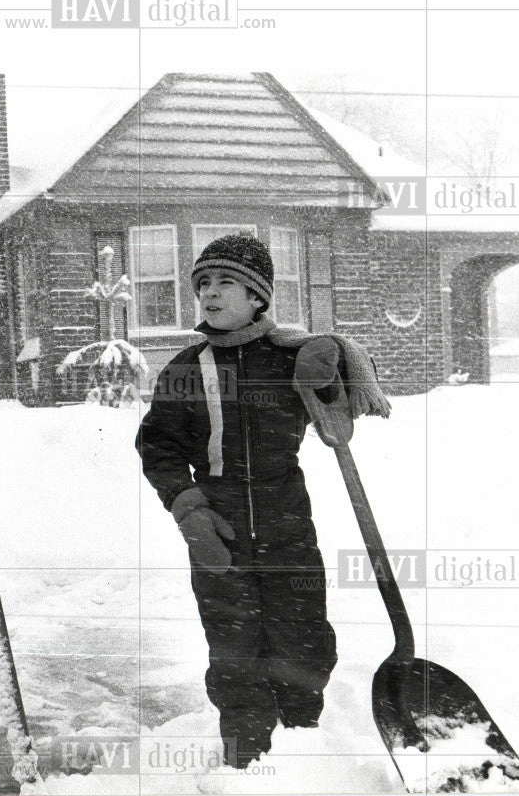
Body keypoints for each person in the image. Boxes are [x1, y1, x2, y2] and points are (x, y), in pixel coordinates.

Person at [136, 233, 390, 769]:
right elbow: (157, 445)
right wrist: (189, 507)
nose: (209, 292)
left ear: (258, 296)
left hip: (286, 515)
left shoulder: (292, 357)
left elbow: (337, 428)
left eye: (225, 281)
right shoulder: (185, 369)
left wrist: (333, 370)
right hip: (217, 523)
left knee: (302, 634)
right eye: (203, 283)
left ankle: (303, 749)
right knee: (233, 649)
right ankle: (246, 760)